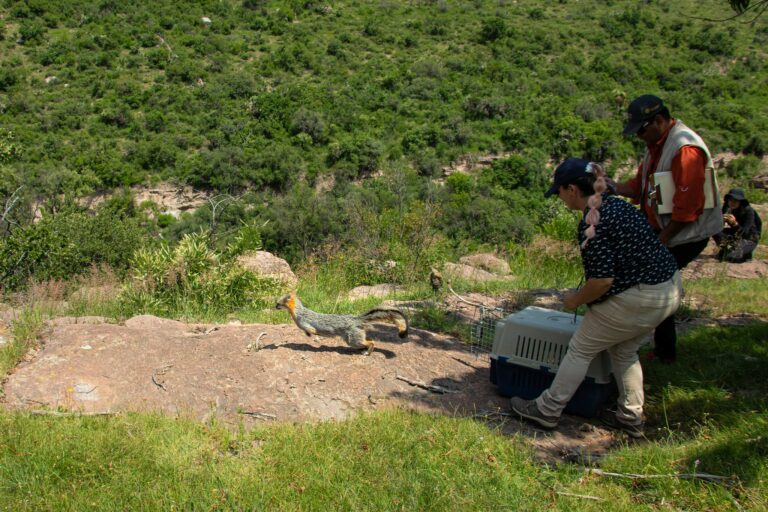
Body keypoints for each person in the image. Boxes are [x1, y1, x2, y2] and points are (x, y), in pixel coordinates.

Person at [510, 157, 682, 438]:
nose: (561, 199)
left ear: (572, 190)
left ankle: (547, 409)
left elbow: (602, 281)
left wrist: (575, 300)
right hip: (668, 291)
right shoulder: (616, 206)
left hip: (641, 296)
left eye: (560, 192)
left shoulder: (594, 221)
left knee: (581, 348)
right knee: (624, 351)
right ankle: (630, 417)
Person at [608, 94, 722, 363]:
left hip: (685, 235)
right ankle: (661, 351)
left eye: (641, 130)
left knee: (653, 280)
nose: (638, 136)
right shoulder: (656, 145)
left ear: (658, 121)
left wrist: (661, 241)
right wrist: (610, 186)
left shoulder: (685, 149)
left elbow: (688, 209)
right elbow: (640, 187)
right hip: (666, 229)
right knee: (659, 281)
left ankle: (658, 352)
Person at [713, 188, 762, 262]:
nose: (732, 203)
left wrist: (735, 223)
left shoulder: (748, 211)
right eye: (730, 200)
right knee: (714, 230)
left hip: (750, 237)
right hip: (735, 235)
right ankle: (725, 250)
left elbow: (745, 233)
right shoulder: (726, 207)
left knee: (733, 259)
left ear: (740, 202)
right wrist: (721, 221)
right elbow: (719, 226)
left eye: (735, 201)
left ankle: (746, 253)